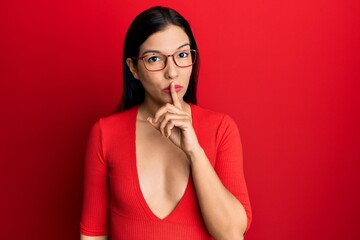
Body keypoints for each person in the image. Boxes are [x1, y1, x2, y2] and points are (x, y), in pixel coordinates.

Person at [80, 6, 252, 240]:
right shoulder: (105, 133)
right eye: (154, 59)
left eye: (182, 55)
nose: (172, 72)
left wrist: (194, 152)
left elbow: (232, 234)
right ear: (134, 68)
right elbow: (93, 235)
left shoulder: (221, 129)